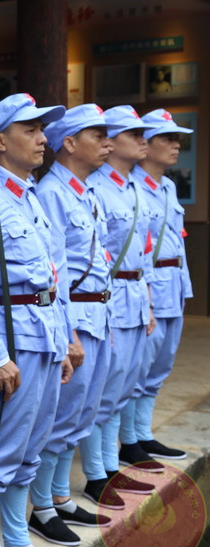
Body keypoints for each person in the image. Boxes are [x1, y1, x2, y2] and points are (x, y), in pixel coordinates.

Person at [0, 93, 76, 547]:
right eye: (31, 129)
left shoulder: (28, 197)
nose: (43, 139)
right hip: (15, 344)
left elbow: (52, 279)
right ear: (1, 141)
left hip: (44, 338)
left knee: (30, 449)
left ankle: (18, 543)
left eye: (42, 129)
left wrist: (63, 342)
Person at [30, 104, 121, 547]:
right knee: (62, 414)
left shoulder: (84, 192)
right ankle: (42, 506)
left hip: (97, 314)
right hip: (76, 316)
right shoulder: (52, 193)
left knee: (81, 412)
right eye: (97, 135)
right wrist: (68, 334)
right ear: (69, 143)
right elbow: (56, 273)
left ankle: (60, 494)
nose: (107, 143)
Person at [87, 105, 160, 505]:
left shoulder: (135, 187)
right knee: (102, 389)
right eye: (133, 134)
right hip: (109, 297)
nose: (142, 140)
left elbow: (143, 252)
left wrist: (148, 301)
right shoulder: (95, 187)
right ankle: (95, 473)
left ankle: (110, 464)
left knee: (122, 387)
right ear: (111, 142)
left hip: (134, 295)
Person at [130, 109, 193, 460]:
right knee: (138, 367)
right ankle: (128, 440)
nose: (176, 145)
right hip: (149, 286)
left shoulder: (168, 186)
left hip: (174, 283)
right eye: (167, 138)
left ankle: (143, 432)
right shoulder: (132, 185)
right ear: (146, 143)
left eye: (177, 138)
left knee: (161, 365)